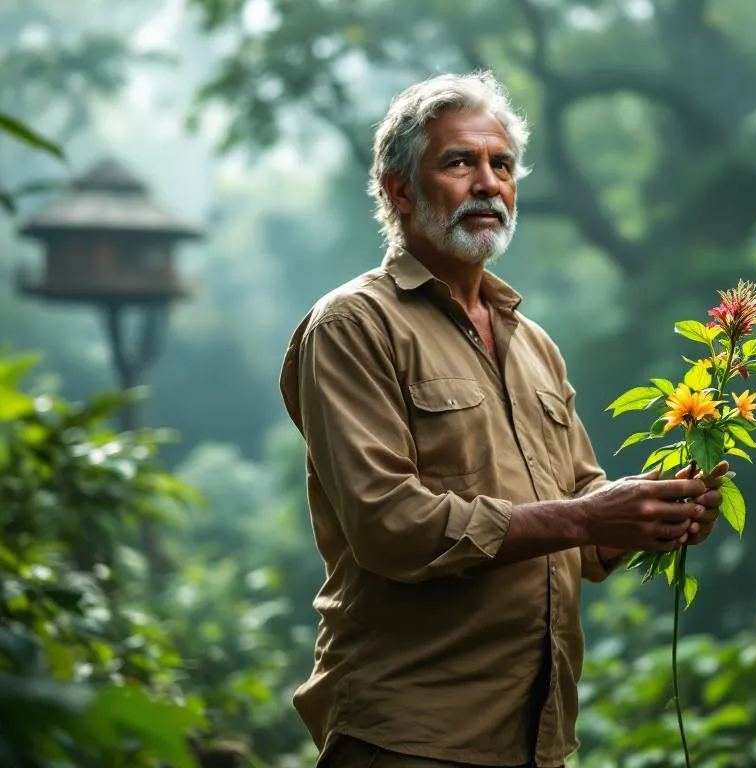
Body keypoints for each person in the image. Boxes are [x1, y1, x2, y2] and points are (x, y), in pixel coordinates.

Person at [278, 71, 726, 768]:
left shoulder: (533, 343)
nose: (488, 183)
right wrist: (585, 518)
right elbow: (387, 524)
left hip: (537, 737)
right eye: (459, 162)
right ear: (400, 190)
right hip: (408, 733)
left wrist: (655, 513)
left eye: (503, 165)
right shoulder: (353, 325)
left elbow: (584, 527)